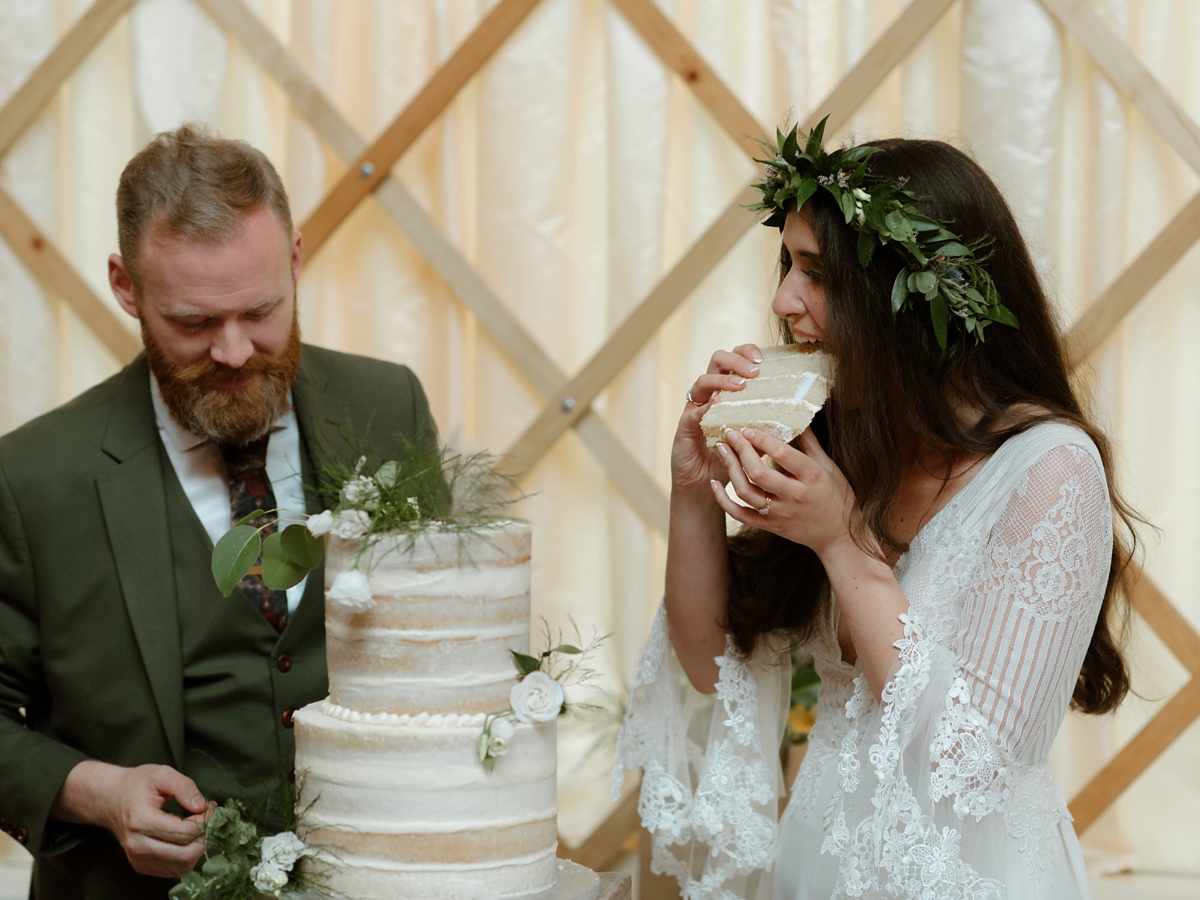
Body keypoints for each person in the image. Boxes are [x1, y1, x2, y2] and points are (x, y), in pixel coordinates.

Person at [613, 127, 1137, 899]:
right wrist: (692, 488)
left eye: (816, 274)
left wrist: (843, 541)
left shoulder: (1051, 468)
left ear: (911, 294)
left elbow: (974, 764)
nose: (783, 302)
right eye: (787, 265)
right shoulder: (850, 442)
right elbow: (710, 659)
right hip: (816, 868)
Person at [0, 125, 438, 898]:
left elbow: (442, 648)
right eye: (195, 323)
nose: (236, 351)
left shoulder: (389, 405)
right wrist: (96, 792)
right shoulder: (34, 479)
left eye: (261, 311)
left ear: (296, 259)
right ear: (126, 286)